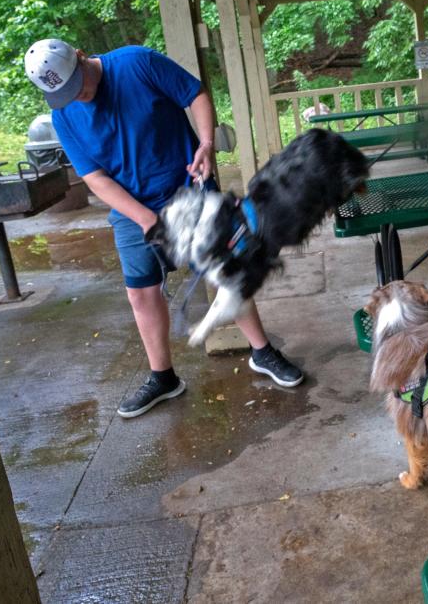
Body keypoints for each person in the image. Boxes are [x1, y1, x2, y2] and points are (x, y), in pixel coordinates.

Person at [23, 39, 304, 419]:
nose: (80, 96)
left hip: (187, 189)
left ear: (80, 57)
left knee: (226, 272)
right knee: (141, 293)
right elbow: (95, 178)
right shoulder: (65, 116)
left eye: (79, 85)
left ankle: (262, 351)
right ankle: (164, 377)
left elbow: (196, 94)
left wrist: (205, 144)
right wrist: (146, 220)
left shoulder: (137, 63)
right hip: (130, 205)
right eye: (66, 95)